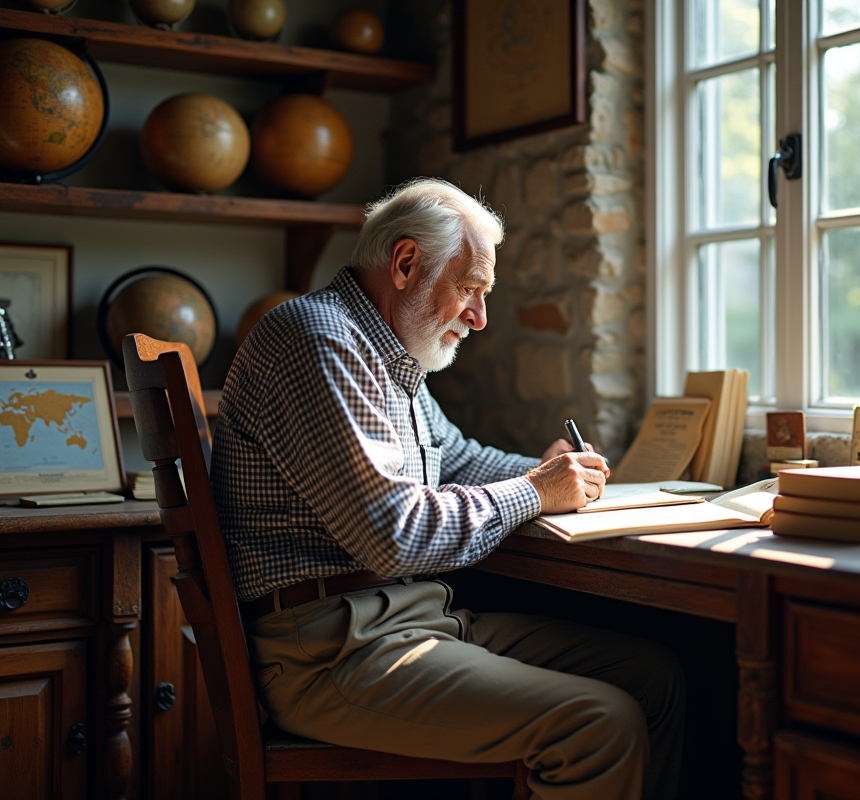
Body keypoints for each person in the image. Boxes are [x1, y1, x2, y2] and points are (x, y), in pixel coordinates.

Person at [210, 178, 685, 799]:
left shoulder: (385, 352)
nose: (480, 318)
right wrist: (537, 492)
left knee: (658, 679)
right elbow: (395, 534)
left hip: (405, 620)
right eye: (470, 289)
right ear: (405, 263)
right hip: (327, 652)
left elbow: (456, 457)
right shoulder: (319, 341)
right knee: (598, 723)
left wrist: (555, 472)